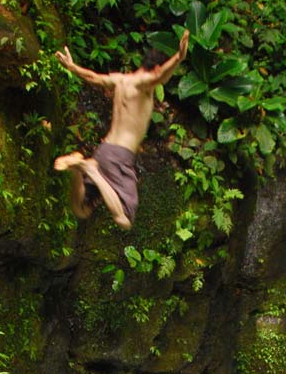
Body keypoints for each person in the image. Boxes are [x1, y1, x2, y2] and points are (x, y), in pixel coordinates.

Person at [53, 30, 190, 230]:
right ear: (156, 68)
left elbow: (94, 77)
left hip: (104, 151)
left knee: (81, 209)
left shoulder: (120, 80)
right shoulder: (144, 85)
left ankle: (77, 170)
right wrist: (179, 57)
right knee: (124, 220)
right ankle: (89, 169)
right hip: (119, 156)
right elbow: (160, 77)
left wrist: (72, 67)